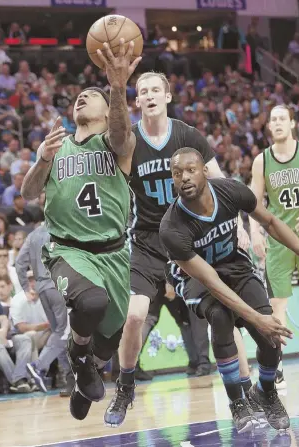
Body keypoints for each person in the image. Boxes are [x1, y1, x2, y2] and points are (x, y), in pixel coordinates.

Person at [104, 71, 251, 427]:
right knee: (135, 315)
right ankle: (125, 387)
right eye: (142, 91)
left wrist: (242, 225)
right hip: (147, 240)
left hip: (190, 238)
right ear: (135, 101)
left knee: (224, 314)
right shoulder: (129, 140)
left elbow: (220, 183)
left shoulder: (187, 135)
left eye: (156, 89)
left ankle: (246, 395)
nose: (150, 95)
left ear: (168, 96)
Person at [20, 39, 141, 420]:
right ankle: (77, 352)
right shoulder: (57, 148)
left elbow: (122, 135)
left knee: (111, 336)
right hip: (68, 250)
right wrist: (42, 158)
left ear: (109, 112)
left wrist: (118, 87)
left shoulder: (116, 144)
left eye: (92, 95)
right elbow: (27, 193)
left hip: (113, 252)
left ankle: (87, 370)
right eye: (79, 97)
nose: (82, 99)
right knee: (91, 303)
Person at [159, 147, 299, 432]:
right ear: (172, 179)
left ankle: (266, 391)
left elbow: (269, 222)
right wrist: (256, 320)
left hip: (236, 266)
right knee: (220, 317)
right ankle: (237, 401)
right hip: (198, 280)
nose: (184, 177)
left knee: (271, 338)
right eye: (177, 173)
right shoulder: (172, 227)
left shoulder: (230, 191)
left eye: (191, 170)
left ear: (205, 171)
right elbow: (211, 283)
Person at [250, 105, 299, 389]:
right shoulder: (262, 161)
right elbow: (253, 202)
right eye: (273, 120)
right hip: (279, 237)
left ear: (292, 123)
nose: (277, 123)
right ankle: (275, 366)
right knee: (277, 303)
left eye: (282, 118)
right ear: (269, 127)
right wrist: (253, 231)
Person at [15, 223, 70, 395]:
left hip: (41, 289)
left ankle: (70, 381)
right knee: (64, 332)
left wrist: (26, 288)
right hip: (59, 285)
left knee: (58, 334)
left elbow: (18, 263)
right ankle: (38, 366)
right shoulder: (63, 229)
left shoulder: (32, 235)